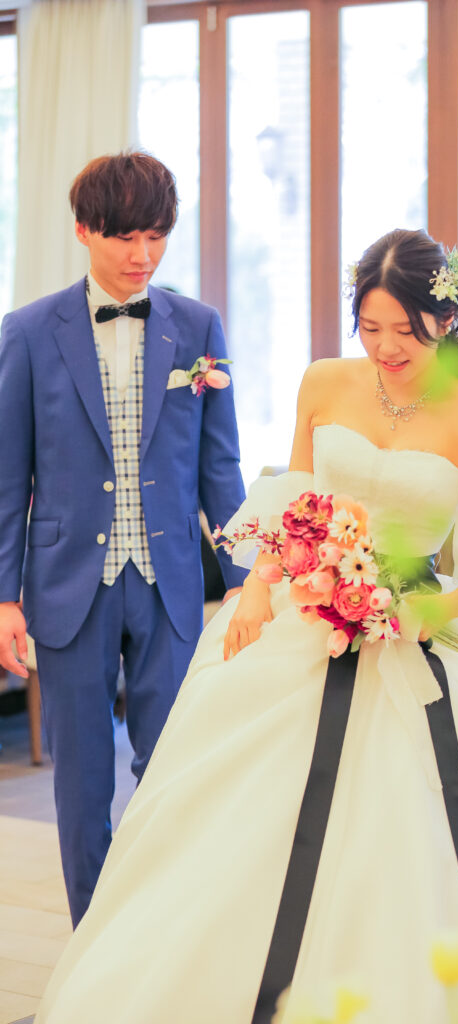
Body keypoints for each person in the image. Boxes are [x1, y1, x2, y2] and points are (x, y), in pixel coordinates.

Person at [34, 229, 458, 1023]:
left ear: (444, 322)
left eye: (406, 330)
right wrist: (256, 588)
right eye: (370, 327)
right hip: (305, 611)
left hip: (417, 631)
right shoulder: (324, 382)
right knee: (239, 810)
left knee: (411, 824)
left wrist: (441, 607)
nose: (385, 347)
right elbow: (296, 494)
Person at [0, 151, 247, 928]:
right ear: (83, 230)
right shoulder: (27, 333)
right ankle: (92, 949)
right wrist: (3, 597)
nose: (143, 255)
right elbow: (7, 479)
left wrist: (247, 577)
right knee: (80, 783)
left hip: (170, 583)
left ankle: (159, 940)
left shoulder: (199, 327)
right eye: (124, 237)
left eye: (155, 236)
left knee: (171, 770)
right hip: (67, 585)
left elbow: (219, 467)